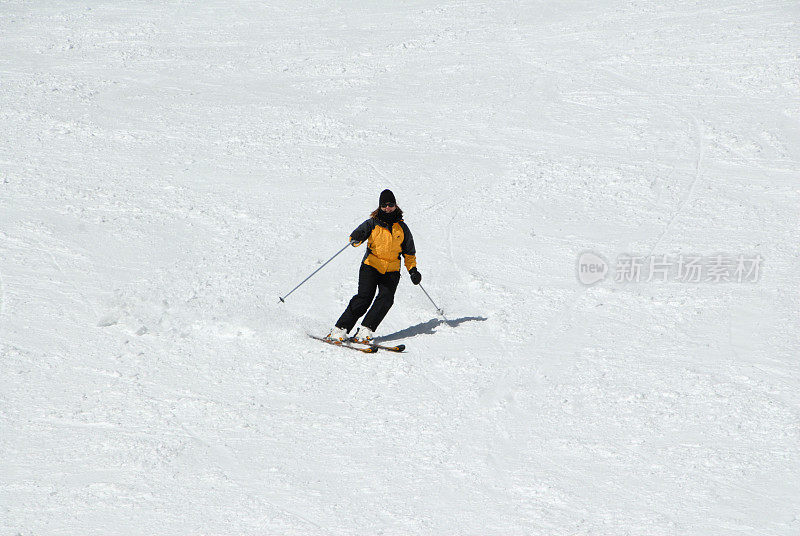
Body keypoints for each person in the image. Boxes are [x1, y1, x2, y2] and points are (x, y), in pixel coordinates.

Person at [327, 189, 422, 343]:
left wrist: (413, 270)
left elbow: (409, 253)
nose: (387, 208)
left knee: (386, 299)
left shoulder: (402, 228)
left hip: (391, 270)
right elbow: (355, 238)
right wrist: (356, 237)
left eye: (390, 204)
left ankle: (365, 330)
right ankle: (339, 329)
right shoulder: (372, 223)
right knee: (364, 298)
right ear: (380, 206)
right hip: (371, 266)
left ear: (396, 205)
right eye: (384, 205)